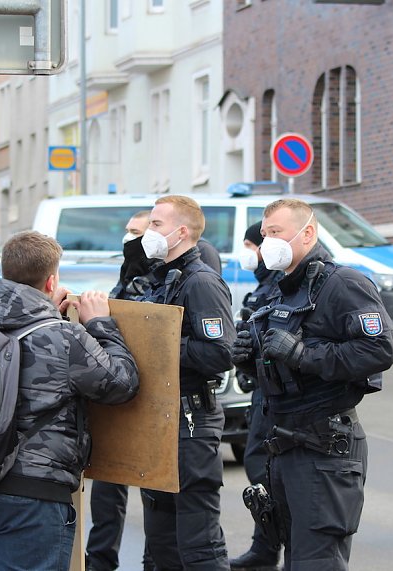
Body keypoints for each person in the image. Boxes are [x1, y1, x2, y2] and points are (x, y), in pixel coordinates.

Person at [0, 230, 140, 571]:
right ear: (51, 283)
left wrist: (49, 313)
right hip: (31, 492)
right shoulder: (63, 336)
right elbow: (121, 384)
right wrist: (101, 325)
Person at [232, 198, 393, 570]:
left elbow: (380, 349)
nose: (267, 242)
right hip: (284, 444)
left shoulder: (343, 284)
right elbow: (276, 360)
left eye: (276, 233)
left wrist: (304, 354)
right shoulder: (282, 289)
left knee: (317, 560)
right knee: (295, 555)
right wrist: (247, 354)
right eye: (265, 234)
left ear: (307, 233)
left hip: (324, 447)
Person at [138, 195, 235, 570]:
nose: (150, 232)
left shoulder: (200, 282)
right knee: (162, 541)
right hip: (162, 418)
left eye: (157, 224)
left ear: (182, 232)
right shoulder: (162, 279)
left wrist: (156, 346)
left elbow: (219, 352)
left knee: (198, 543)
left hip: (191, 418)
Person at [87, 210, 156, 571]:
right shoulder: (129, 270)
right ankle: (99, 561)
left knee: (151, 486)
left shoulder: (160, 273)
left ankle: (151, 561)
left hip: (151, 394)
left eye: (137, 231)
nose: (129, 237)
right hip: (118, 388)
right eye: (127, 230)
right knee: (108, 485)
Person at [229, 222, 283, 571]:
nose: (248, 253)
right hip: (261, 392)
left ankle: (272, 545)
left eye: (252, 244)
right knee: (258, 466)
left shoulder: (279, 285)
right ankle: (264, 546)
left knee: (266, 470)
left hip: (278, 394)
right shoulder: (262, 287)